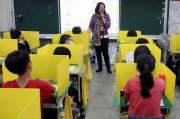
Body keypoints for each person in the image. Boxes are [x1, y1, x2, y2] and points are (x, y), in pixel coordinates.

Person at [2, 50, 56, 118]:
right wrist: (42, 82)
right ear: (29, 66)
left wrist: (38, 81)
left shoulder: (6, 86)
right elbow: (53, 89)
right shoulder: (41, 85)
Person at [124, 54, 165, 119]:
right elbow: (160, 96)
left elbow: (126, 98)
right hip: (155, 116)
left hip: (134, 116)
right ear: (154, 68)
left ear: (137, 68)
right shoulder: (161, 82)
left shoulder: (130, 82)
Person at [53, 46, 85, 118]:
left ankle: (79, 105)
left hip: (58, 90)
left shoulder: (52, 64)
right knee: (74, 91)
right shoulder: (61, 67)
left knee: (72, 89)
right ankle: (80, 106)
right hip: (62, 91)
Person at [89, 2, 112, 73]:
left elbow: (108, 26)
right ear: (98, 8)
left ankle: (108, 68)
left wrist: (103, 18)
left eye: (103, 8)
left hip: (104, 37)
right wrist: (89, 31)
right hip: (96, 37)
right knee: (98, 53)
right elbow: (90, 26)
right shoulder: (94, 16)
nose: (102, 9)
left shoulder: (106, 15)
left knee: (105, 53)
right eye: (101, 8)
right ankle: (100, 67)